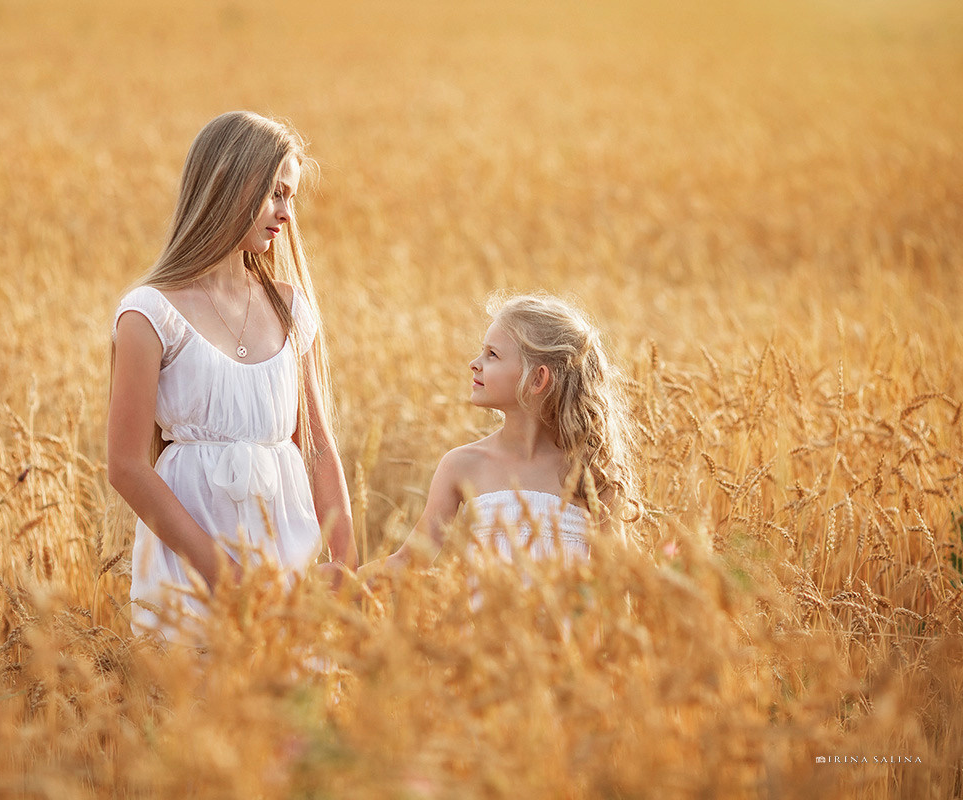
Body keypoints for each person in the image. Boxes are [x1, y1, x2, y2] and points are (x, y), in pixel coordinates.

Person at [107, 111, 356, 641]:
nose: (287, 214)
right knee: (193, 716)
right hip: (190, 570)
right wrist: (223, 576)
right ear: (229, 181)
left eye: (291, 198)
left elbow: (315, 447)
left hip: (289, 558)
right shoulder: (149, 313)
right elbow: (126, 465)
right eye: (277, 194)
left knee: (293, 715)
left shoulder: (290, 308)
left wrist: (346, 561)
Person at [383, 292, 640, 570]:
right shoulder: (463, 465)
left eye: (492, 354)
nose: (475, 363)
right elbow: (409, 562)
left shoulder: (592, 474)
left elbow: (616, 586)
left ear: (538, 378)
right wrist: (344, 582)